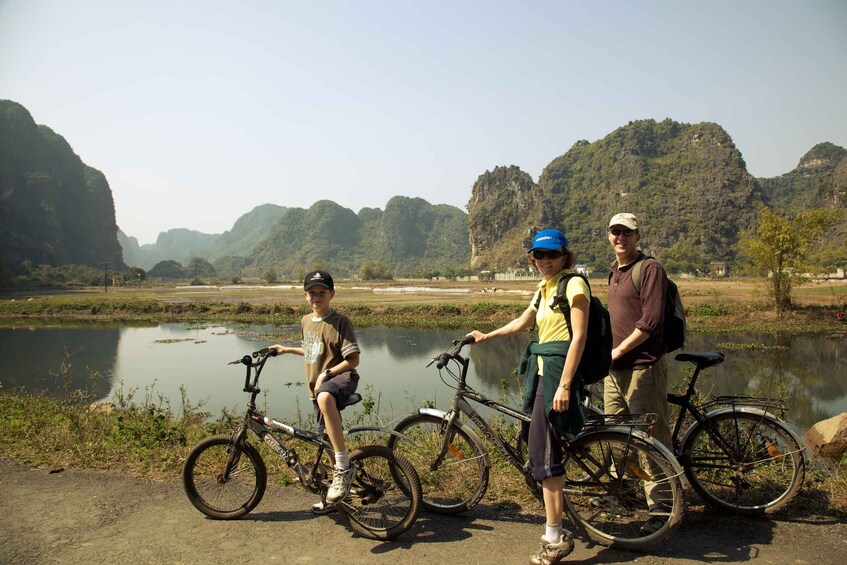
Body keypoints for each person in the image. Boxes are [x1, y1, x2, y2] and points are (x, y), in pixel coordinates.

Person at [468, 228, 587, 565]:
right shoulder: (543, 288)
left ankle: (554, 536)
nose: (544, 261)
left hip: (556, 372)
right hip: (541, 369)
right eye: (539, 255)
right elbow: (523, 322)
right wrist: (486, 335)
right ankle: (555, 521)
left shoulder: (573, 284)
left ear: (565, 255)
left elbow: (579, 337)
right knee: (538, 444)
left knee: (545, 454)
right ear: (532, 258)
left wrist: (564, 385)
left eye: (551, 254)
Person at [270, 270, 361, 514]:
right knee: (326, 440)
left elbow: (353, 360)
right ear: (305, 296)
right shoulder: (305, 321)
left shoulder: (340, 322)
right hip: (318, 388)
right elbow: (313, 351)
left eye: (322, 293)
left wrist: (328, 374)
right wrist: (287, 349)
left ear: (332, 294)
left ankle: (343, 466)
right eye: (312, 293)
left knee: (324, 397)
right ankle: (338, 495)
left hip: (341, 379)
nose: (316, 298)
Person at [604, 212, 672, 533]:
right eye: (615, 232)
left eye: (626, 233)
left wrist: (619, 350)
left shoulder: (650, 269)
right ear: (609, 236)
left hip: (643, 367)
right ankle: (626, 495)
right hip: (614, 372)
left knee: (650, 439)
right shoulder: (614, 272)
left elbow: (651, 321)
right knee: (615, 435)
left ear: (637, 237)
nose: (620, 238)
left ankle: (662, 509)